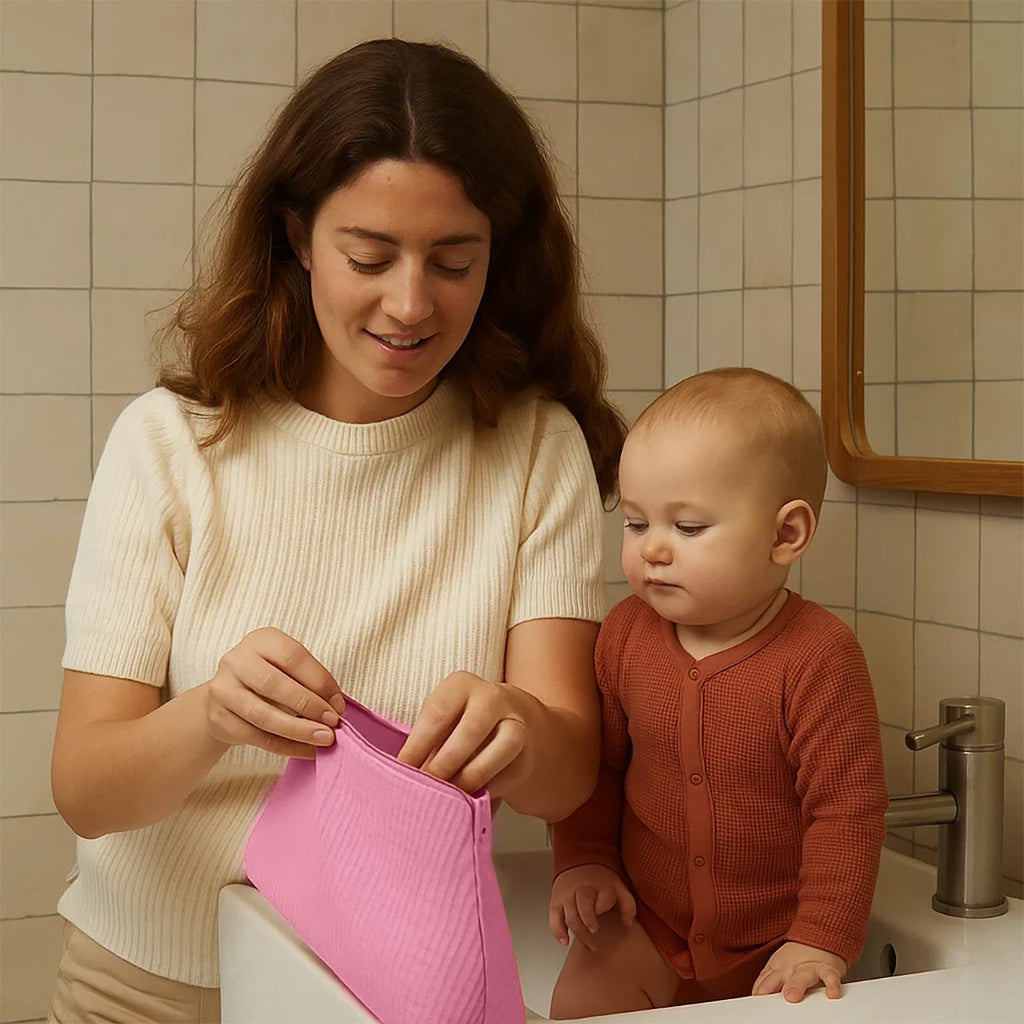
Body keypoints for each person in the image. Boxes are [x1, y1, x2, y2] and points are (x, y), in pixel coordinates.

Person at [47, 38, 626, 1024]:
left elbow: (568, 774)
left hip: (392, 997)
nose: (411, 304)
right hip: (150, 994)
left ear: (502, 253)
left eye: (454, 262)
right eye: (369, 257)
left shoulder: (534, 449)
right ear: (297, 237)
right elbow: (86, 787)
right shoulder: (170, 443)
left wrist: (521, 730)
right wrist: (210, 718)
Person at [547, 367, 888, 1017]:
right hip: (644, 920)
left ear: (785, 535)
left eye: (689, 528)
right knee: (579, 1005)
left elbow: (847, 811)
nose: (654, 551)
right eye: (638, 524)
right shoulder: (623, 635)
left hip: (773, 944)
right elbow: (598, 767)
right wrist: (582, 861)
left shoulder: (820, 657)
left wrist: (820, 935)